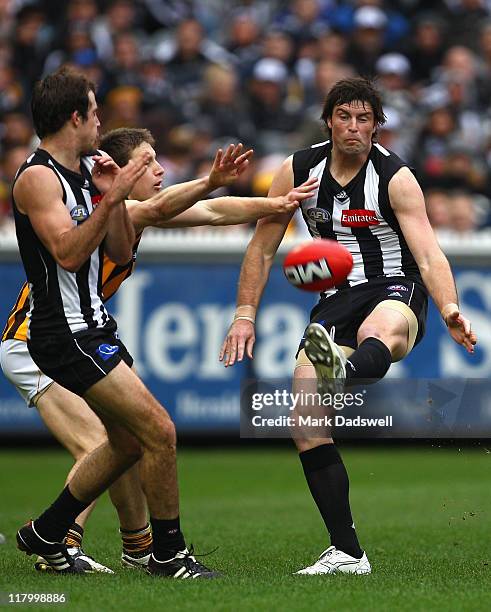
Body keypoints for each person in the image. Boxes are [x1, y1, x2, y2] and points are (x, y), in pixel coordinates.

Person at [4, 73, 317, 577]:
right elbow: (65, 253)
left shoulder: (88, 173)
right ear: (74, 118)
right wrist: (116, 195)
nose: (101, 121)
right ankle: (164, 554)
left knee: (127, 442)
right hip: (59, 330)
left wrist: (115, 195)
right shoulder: (38, 176)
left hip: (91, 327)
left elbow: (123, 245)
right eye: (94, 110)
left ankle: (48, 531)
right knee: (159, 432)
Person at [220, 77, 477, 575]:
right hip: (334, 297)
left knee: (378, 334)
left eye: (364, 119)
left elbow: (426, 251)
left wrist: (448, 309)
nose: (354, 128)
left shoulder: (396, 177)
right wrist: (244, 316)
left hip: (394, 286)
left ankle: (342, 365)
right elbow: (262, 247)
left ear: (377, 125)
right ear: (329, 120)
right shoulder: (297, 170)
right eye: (344, 117)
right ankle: (347, 552)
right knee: (305, 421)